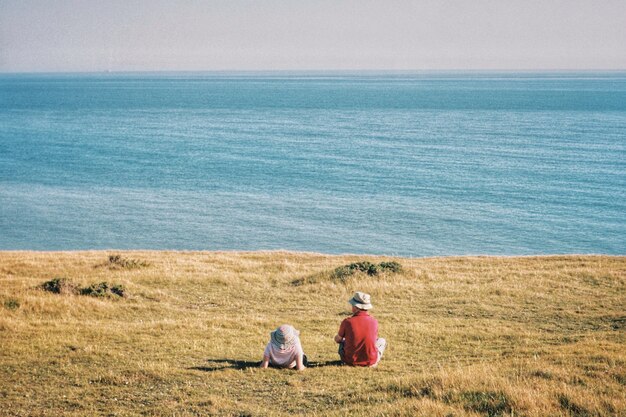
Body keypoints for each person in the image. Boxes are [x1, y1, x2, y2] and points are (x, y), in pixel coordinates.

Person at [334, 291, 386, 367]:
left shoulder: (347, 322)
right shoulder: (374, 321)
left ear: (356, 307)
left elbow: (337, 340)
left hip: (350, 360)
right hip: (370, 360)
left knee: (342, 341)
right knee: (382, 341)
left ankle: (347, 360)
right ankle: (372, 362)